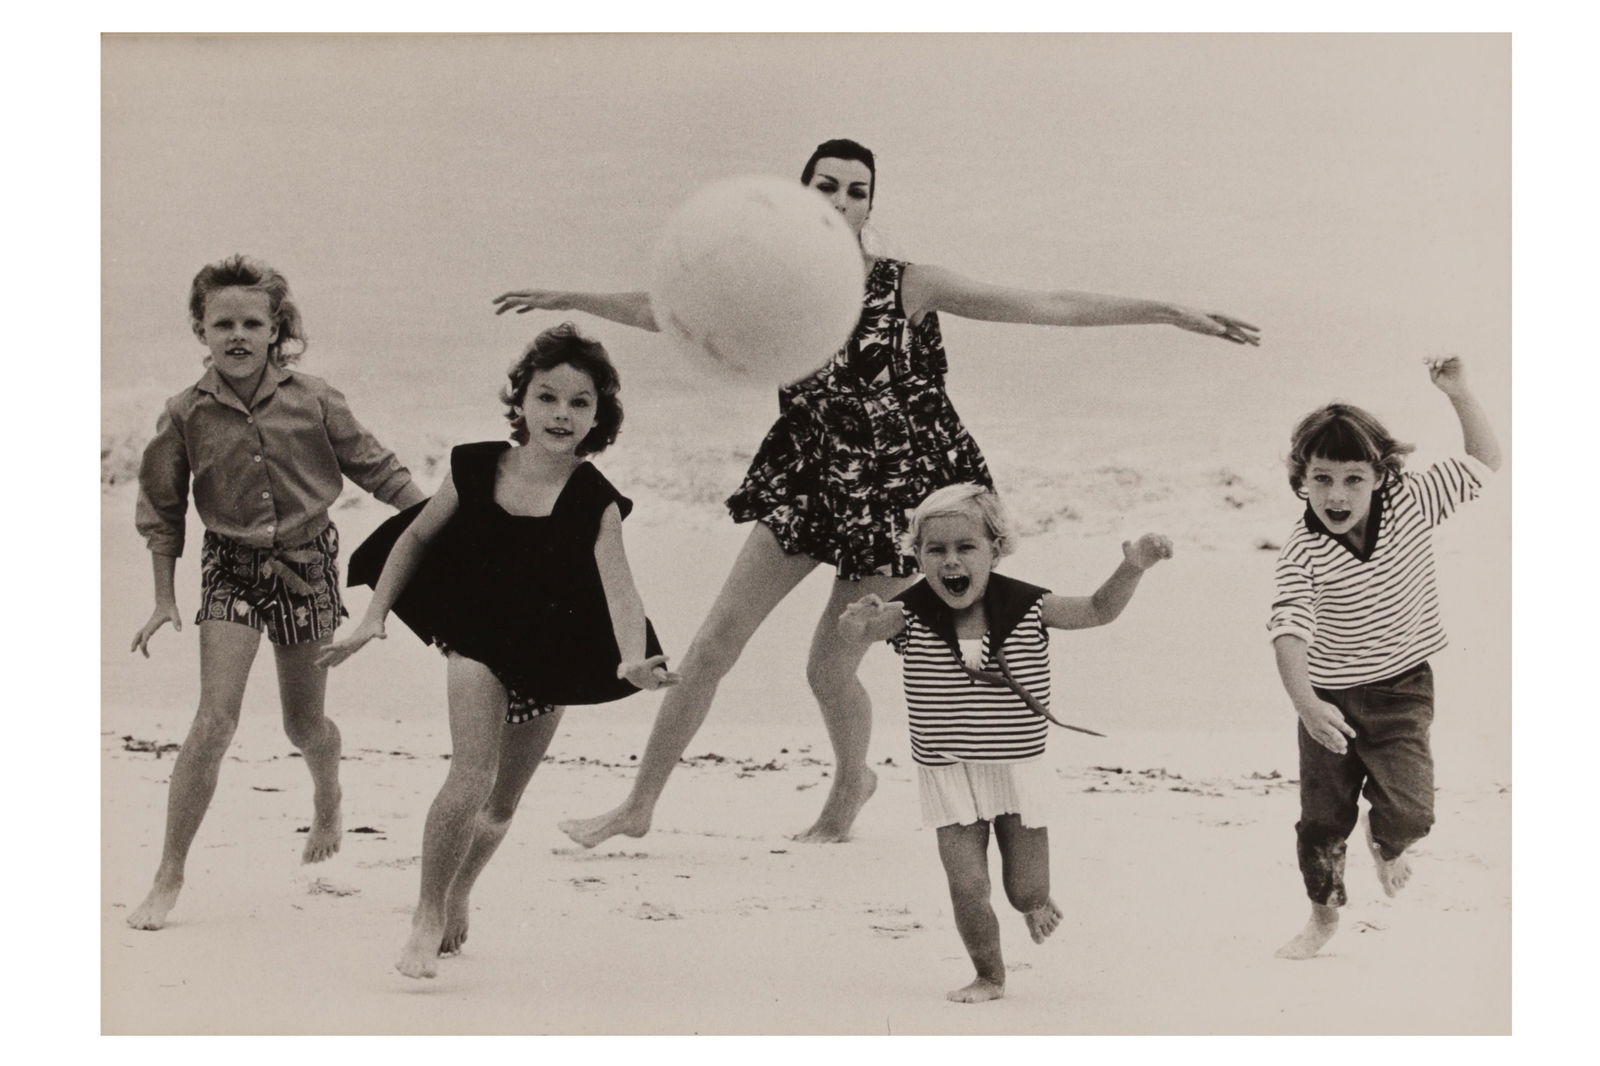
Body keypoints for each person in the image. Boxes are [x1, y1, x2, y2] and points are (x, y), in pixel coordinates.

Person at [493, 137, 1259, 847]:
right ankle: (638, 806)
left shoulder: (909, 286)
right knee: (713, 644)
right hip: (809, 480)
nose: (839, 200)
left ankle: (850, 786)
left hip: (900, 498)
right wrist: (571, 297)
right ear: (798, 195)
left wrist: (1166, 311)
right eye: (825, 186)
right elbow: (671, 311)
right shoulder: (771, 283)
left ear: (868, 206)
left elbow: (1042, 304)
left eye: (856, 191)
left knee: (828, 669)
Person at [317, 323, 678, 979]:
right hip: (477, 637)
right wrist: (374, 614)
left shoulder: (595, 500)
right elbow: (415, 537)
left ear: (599, 415)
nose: (561, 414)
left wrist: (631, 660)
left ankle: (460, 890)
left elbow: (621, 590)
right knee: (471, 775)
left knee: (502, 802)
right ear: (522, 401)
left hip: (554, 653)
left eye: (579, 402)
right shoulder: (476, 465)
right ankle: (427, 913)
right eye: (547, 397)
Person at [127, 255, 425, 931]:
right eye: (222, 323)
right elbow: (163, 510)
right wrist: (164, 597)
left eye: (251, 323)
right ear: (200, 330)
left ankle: (328, 794)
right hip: (229, 566)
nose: (237, 334)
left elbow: (377, 469)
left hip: (308, 563)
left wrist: (437, 523)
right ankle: (169, 872)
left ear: (274, 329)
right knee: (213, 721)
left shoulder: (315, 398)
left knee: (303, 726)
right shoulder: (184, 413)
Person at [838, 483, 1171, 1002]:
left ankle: (1036, 903)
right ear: (918, 556)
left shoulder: (1028, 605)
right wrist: (853, 624)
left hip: (1016, 768)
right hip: (947, 770)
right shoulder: (908, 612)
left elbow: (1097, 609)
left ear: (995, 549)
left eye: (965, 547)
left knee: (1026, 888)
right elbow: (860, 633)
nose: (951, 560)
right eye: (936, 549)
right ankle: (989, 975)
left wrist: (1133, 567)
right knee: (967, 886)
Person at [1268, 355, 1501, 961]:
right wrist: (1307, 704)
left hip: (1403, 688)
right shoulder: (1302, 550)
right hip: (1329, 700)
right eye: (1322, 478)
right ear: (1301, 478)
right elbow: (1288, 631)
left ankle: (1387, 842)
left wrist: (1459, 393)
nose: (1336, 494)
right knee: (1322, 822)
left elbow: (1484, 461)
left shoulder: (1412, 501)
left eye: (1353, 478)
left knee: (1413, 814)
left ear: (1380, 475)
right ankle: (1322, 917)